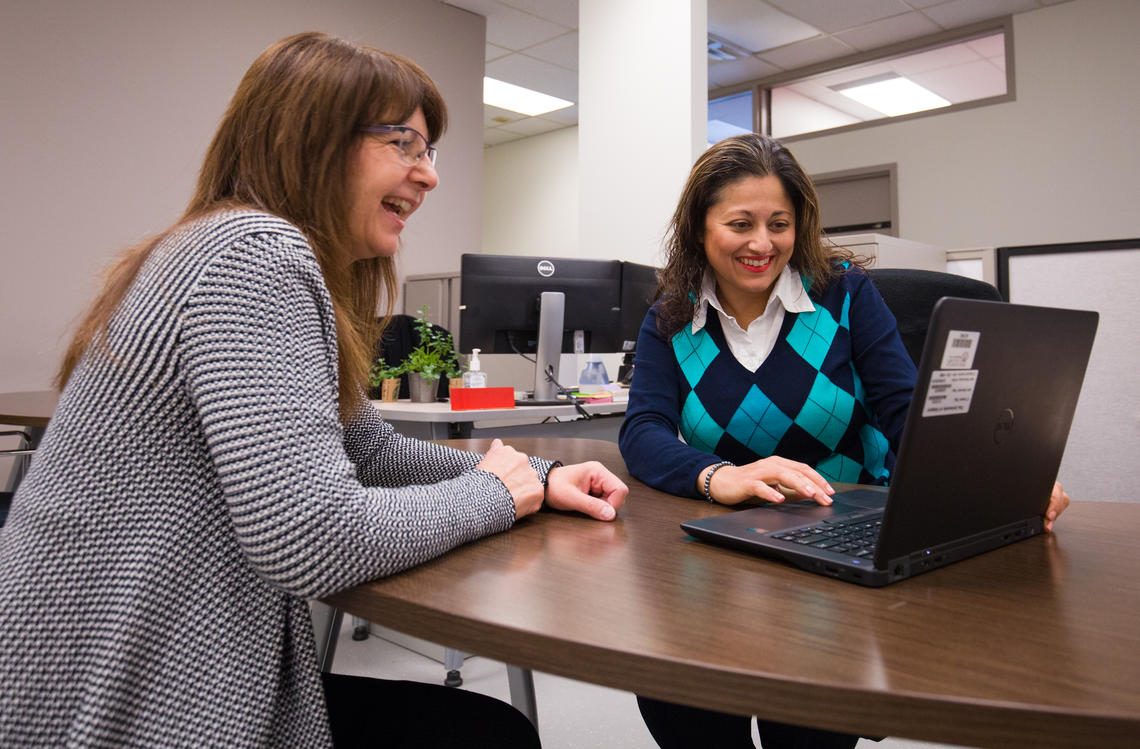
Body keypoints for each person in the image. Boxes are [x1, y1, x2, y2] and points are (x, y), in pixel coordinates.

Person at [0, 32, 628, 748]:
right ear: (311, 138)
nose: (429, 175)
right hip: (115, 692)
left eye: (430, 151)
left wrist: (538, 478)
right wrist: (494, 494)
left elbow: (371, 453)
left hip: (144, 658)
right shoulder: (254, 256)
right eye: (404, 143)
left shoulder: (228, 247)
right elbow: (312, 536)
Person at [618, 133, 1071, 749]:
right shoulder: (671, 317)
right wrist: (718, 476)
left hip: (840, 541)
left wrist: (1008, 479)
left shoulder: (846, 295)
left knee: (809, 725)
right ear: (700, 229)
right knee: (683, 704)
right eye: (740, 224)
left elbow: (907, 411)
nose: (762, 243)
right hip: (725, 553)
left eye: (780, 224)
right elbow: (642, 430)